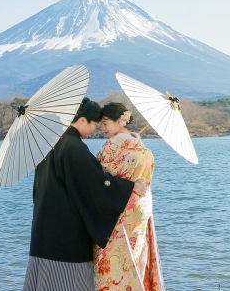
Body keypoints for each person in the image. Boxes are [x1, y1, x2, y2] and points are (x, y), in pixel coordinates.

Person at [24, 98, 147, 291]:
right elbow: (97, 183)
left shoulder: (51, 143)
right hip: (66, 230)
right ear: (82, 120)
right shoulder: (74, 147)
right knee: (70, 282)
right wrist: (130, 187)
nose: (94, 130)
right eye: (94, 124)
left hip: (44, 226)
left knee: (45, 282)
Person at [93, 102, 164, 291]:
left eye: (106, 123)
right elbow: (147, 181)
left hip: (120, 209)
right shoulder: (143, 148)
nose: (103, 127)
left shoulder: (113, 146)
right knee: (137, 256)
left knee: (114, 260)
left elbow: (99, 177)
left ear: (120, 121)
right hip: (142, 209)